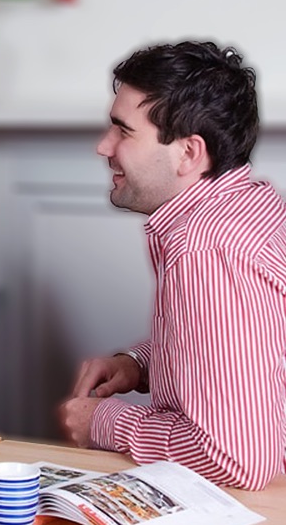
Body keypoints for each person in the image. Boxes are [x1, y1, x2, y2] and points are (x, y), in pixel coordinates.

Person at [59, 41, 286, 490]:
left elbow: (238, 459)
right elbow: (256, 340)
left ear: (188, 153)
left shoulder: (204, 252)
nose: (104, 147)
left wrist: (104, 422)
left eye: (124, 131)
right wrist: (140, 362)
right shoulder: (249, 201)